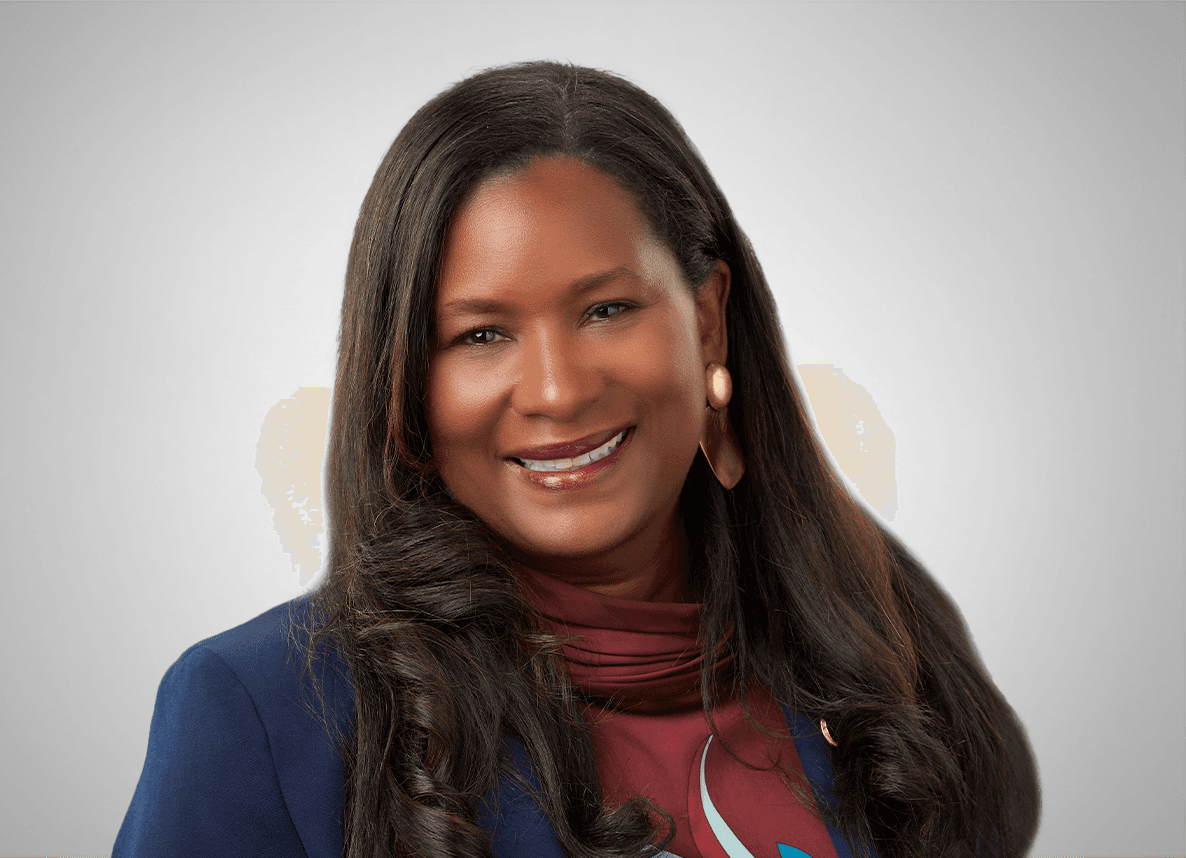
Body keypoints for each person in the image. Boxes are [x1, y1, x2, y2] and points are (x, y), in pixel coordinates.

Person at [113, 61, 1040, 858]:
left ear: (708, 318)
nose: (556, 390)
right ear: (404, 384)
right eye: (479, 334)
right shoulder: (262, 714)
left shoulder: (889, 652)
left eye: (606, 310)